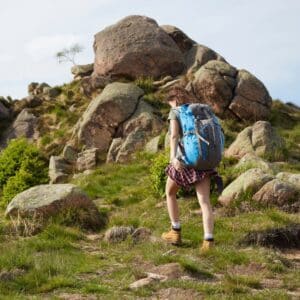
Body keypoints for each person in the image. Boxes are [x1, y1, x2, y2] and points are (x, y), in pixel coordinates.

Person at [161, 86, 223, 253]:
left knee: (170, 193)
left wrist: (173, 158)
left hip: (186, 162)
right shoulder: (200, 110)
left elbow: (174, 136)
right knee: (204, 202)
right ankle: (208, 241)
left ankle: (175, 232)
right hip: (205, 161)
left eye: (170, 104)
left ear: (173, 100)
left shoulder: (177, 111)